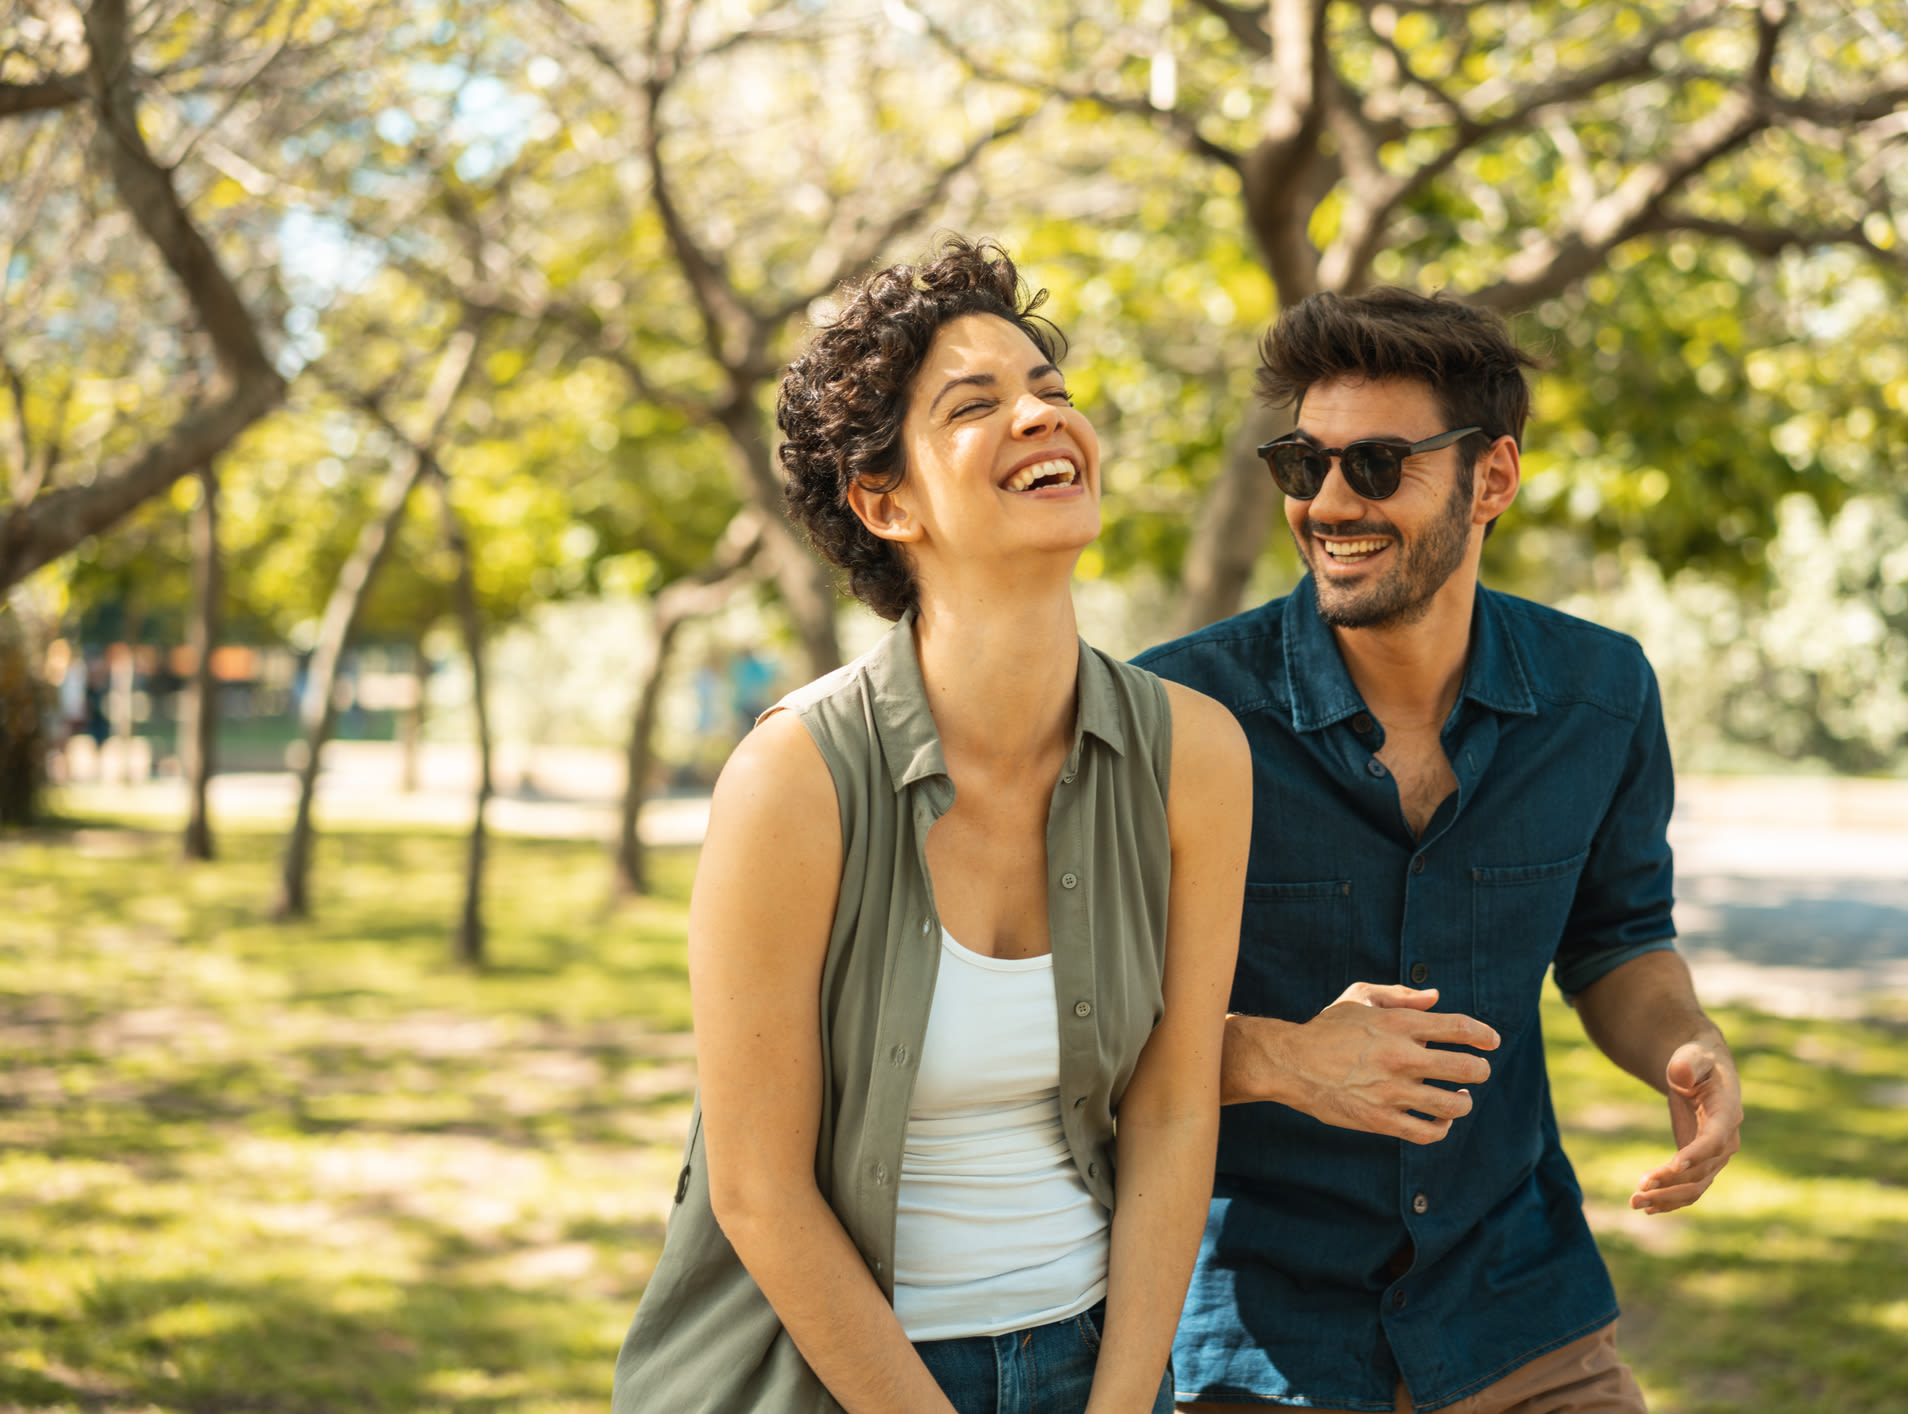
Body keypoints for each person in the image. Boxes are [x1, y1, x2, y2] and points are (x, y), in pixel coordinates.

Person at [612, 239, 1252, 1414]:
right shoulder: (794, 778)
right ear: (883, 500)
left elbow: (1170, 1108)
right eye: (977, 404)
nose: (1039, 417)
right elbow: (756, 1187)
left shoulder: (1196, 756)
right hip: (826, 1377)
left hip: (1089, 1360)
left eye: (1050, 391)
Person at [1134, 288, 1744, 1413]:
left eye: (1374, 466)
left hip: (1520, 1317)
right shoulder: (1174, 712)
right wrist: (1275, 1057)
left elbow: (1615, 942)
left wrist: (1684, 1041)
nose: (1326, 502)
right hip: (1259, 1348)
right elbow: (1076, 1030)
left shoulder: (1600, 694)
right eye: (1300, 463)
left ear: (1492, 479)